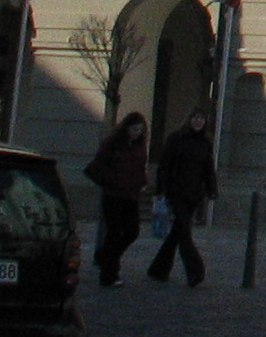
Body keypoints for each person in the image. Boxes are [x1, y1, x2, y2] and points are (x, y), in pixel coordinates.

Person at [145, 109, 217, 287]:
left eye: (201, 118)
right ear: (189, 119)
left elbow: (208, 168)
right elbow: (165, 165)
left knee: (177, 232)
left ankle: (158, 269)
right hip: (176, 192)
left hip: (194, 194)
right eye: (195, 118)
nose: (198, 121)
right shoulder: (176, 138)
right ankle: (195, 271)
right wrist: (161, 190)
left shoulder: (205, 143)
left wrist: (211, 189)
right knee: (185, 233)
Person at [82, 112, 149, 288]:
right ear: (126, 127)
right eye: (134, 129)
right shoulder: (113, 143)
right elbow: (96, 167)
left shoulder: (140, 146)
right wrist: (113, 181)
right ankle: (109, 273)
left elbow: (140, 168)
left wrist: (142, 182)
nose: (137, 133)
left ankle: (106, 258)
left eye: (140, 130)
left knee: (132, 231)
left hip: (131, 195)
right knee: (114, 233)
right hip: (113, 195)